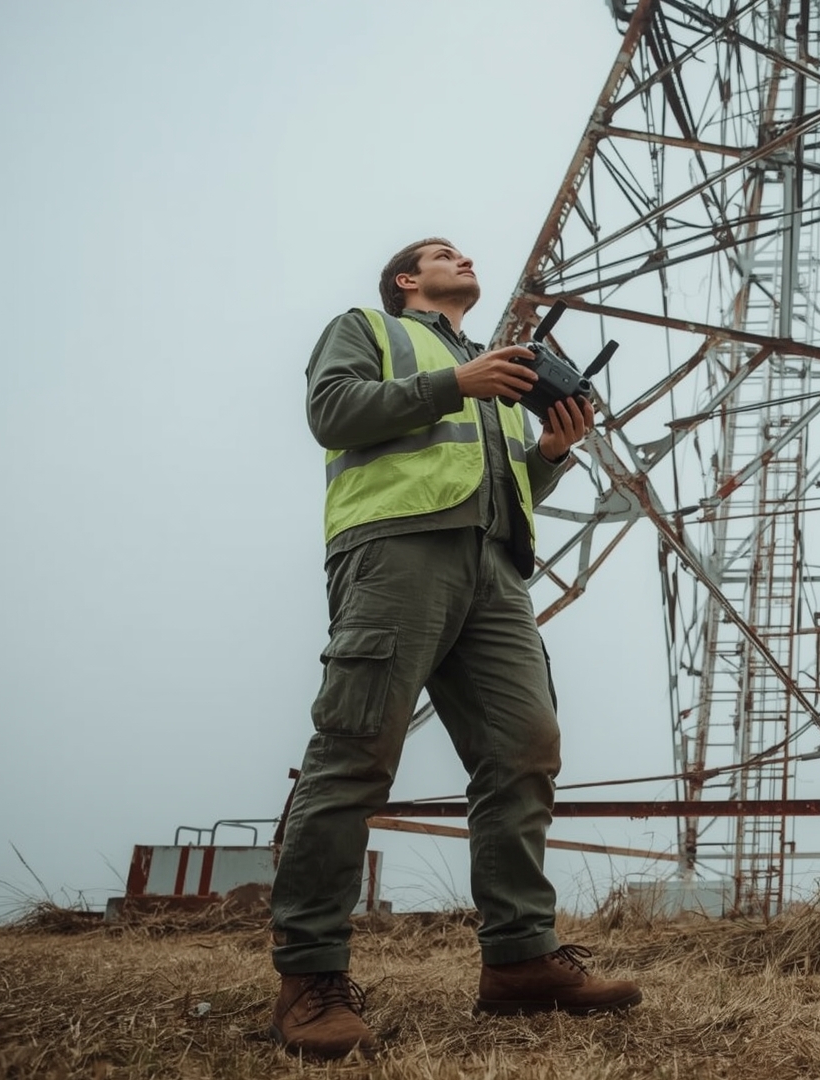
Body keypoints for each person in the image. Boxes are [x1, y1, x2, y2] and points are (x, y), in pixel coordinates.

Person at [267, 238, 640, 1060]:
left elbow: (502, 478)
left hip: (496, 570)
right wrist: (452, 383)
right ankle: (310, 977)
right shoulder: (368, 327)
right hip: (399, 554)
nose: (462, 256)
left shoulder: (501, 369)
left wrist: (550, 451)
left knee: (526, 750)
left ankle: (520, 961)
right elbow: (332, 413)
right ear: (407, 280)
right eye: (441, 253)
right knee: (357, 750)